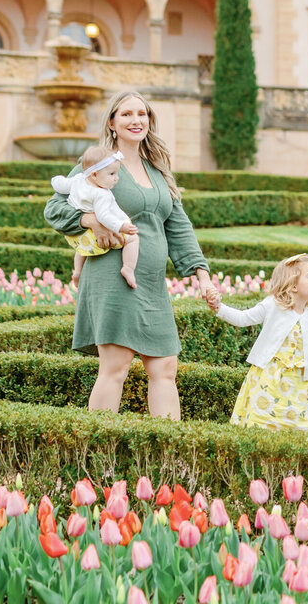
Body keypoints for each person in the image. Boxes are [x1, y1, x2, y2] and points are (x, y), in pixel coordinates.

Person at [44, 90, 218, 420]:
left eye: (142, 114)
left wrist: (203, 277)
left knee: (166, 368)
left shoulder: (158, 170)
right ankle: (98, 454)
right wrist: (91, 221)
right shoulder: (97, 163)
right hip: (112, 277)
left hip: (151, 283)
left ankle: (168, 457)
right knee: (116, 367)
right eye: (126, 114)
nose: (135, 120)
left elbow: (179, 227)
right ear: (112, 122)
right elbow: (54, 208)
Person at [209, 253, 308, 432]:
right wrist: (219, 307)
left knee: (305, 428)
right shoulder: (272, 306)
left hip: (299, 386)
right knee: (262, 425)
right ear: (293, 285)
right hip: (268, 381)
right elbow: (243, 318)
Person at [50, 145, 140, 289]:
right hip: (102, 237)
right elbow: (103, 216)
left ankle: (78, 271)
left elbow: (61, 185)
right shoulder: (101, 194)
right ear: (94, 175)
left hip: (80, 236)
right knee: (133, 239)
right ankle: (128, 268)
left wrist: (55, 180)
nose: (116, 179)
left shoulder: (78, 180)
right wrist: (121, 226)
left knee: (81, 251)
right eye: (111, 174)